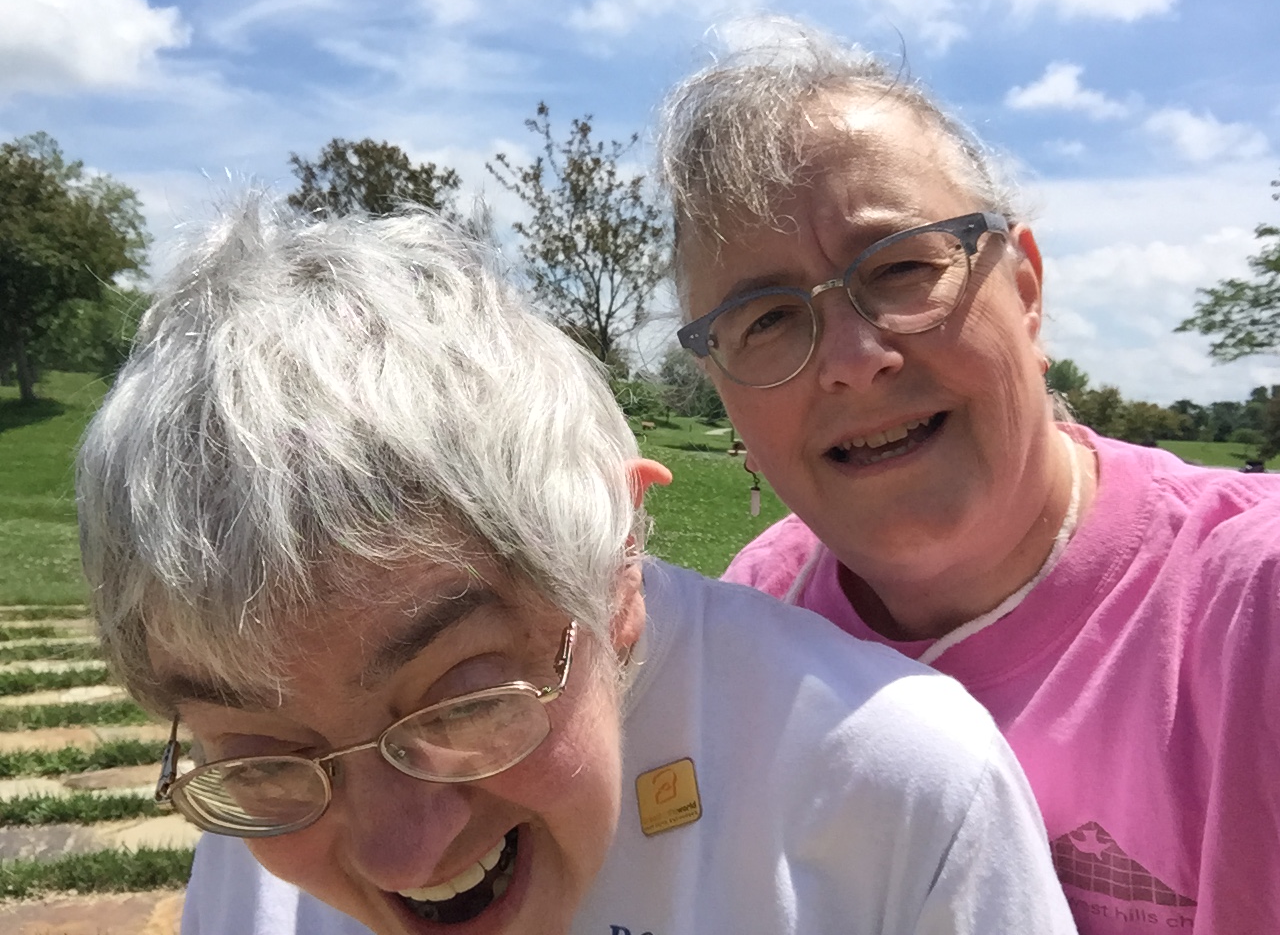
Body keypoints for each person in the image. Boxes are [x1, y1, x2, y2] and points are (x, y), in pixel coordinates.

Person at [76, 198, 1077, 935]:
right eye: (262, 753)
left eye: (461, 703)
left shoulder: (901, 794)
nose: (400, 854)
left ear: (617, 561)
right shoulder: (257, 834)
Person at [658, 19, 1280, 935]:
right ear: (723, 391)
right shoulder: (756, 620)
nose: (854, 360)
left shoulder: (1253, 605)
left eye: (902, 268)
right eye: (767, 321)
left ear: (1025, 290)